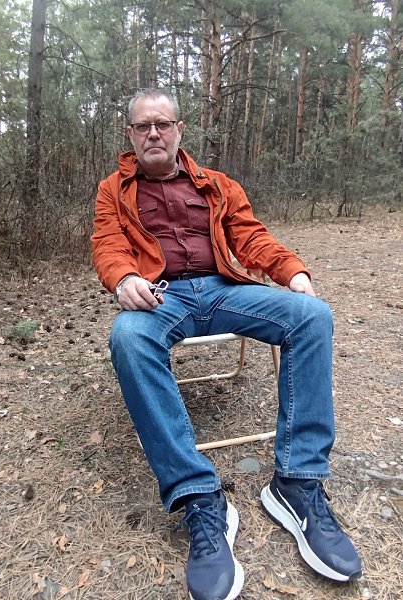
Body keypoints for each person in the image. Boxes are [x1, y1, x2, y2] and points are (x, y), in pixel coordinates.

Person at [91, 88, 362, 600]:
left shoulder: (218, 185)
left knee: (313, 315)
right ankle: (200, 496)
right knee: (127, 336)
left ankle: (297, 483)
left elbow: (252, 238)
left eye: (163, 124)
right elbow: (107, 244)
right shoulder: (113, 190)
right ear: (130, 135)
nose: (154, 133)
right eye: (143, 126)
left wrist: (292, 272)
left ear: (180, 130)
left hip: (223, 289)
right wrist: (123, 277)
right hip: (161, 296)